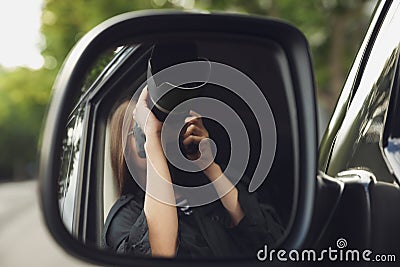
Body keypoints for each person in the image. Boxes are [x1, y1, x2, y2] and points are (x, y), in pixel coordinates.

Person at [102, 86, 285, 258]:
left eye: (161, 124)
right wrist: (152, 137)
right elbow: (160, 254)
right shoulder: (123, 218)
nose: (156, 131)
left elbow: (267, 240)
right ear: (123, 150)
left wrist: (209, 166)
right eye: (140, 128)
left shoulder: (205, 192)